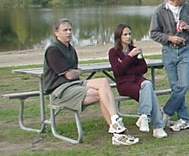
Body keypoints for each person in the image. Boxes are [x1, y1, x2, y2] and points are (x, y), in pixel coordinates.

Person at [43, 18, 138, 146]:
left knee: (103, 82)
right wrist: (78, 71)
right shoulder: (53, 50)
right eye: (65, 30)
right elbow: (70, 75)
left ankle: (115, 123)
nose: (68, 33)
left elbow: (73, 73)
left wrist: (77, 72)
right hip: (60, 90)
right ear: (56, 33)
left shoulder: (70, 48)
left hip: (74, 85)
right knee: (101, 95)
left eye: (70, 30)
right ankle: (117, 133)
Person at [150, 0, 189, 131]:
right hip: (169, 51)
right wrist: (170, 38)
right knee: (175, 87)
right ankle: (184, 119)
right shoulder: (159, 11)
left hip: (185, 50)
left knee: (183, 85)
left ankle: (166, 111)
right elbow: (153, 33)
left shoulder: (187, 7)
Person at [108, 24, 168, 139]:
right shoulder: (113, 52)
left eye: (129, 34)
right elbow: (118, 71)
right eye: (125, 34)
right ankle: (157, 127)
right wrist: (129, 57)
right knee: (149, 92)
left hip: (138, 81)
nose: (128, 37)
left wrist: (129, 68)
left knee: (148, 84)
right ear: (119, 36)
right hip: (124, 84)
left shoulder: (135, 50)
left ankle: (144, 116)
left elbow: (143, 68)